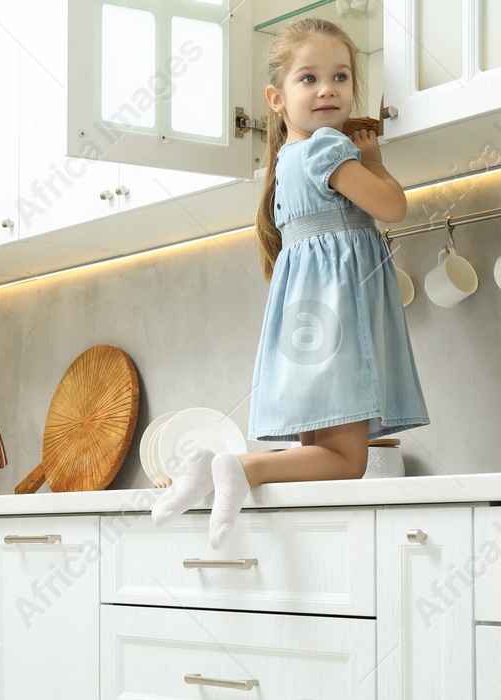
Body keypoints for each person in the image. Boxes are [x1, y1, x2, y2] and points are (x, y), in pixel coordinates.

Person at [152, 16, 429, 546]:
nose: (328, 88)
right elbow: (392, 206)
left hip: (308, 327)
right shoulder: (328, 150)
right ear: (276, 99)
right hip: (340, 324)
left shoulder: (286, 163)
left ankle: (218, 464)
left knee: (318, 453)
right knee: (348, 461)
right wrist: (374, 158)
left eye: (341, 77)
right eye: (309, 78)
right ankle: (244, 468)